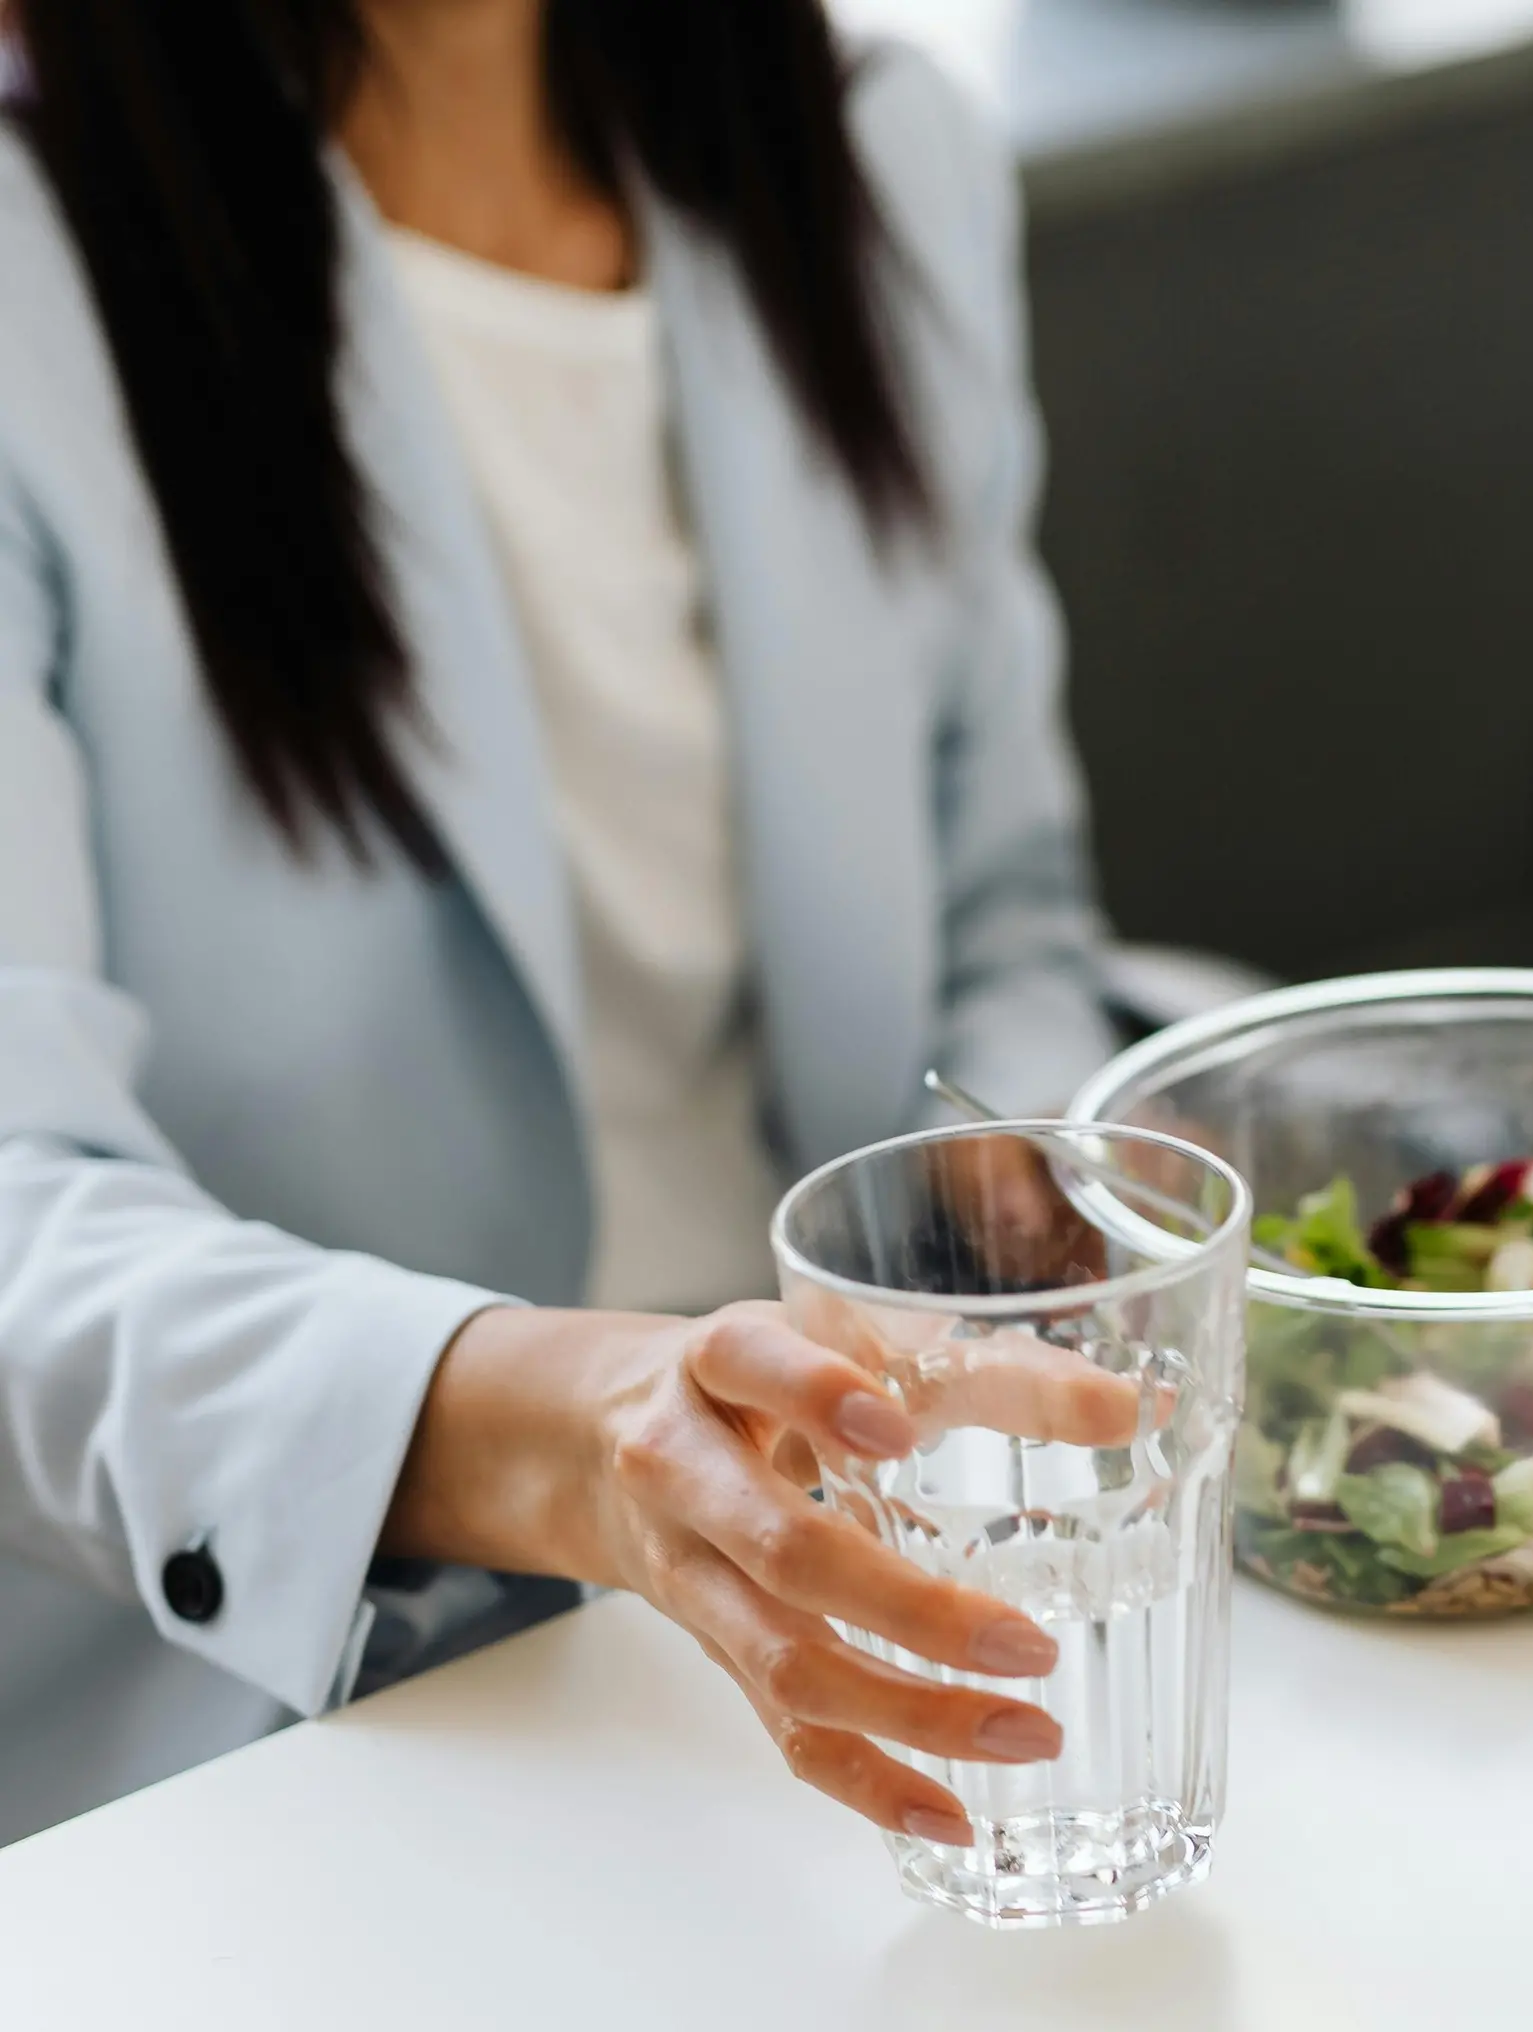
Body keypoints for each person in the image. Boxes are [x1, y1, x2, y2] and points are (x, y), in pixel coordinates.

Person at [0, 0, 1119, 1844]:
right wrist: (572, 1430)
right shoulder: (35, 274)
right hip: (304, 1695)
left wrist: (1002, 1173)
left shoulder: (878, 154)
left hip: (871, 1541)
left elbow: (1005, 911)